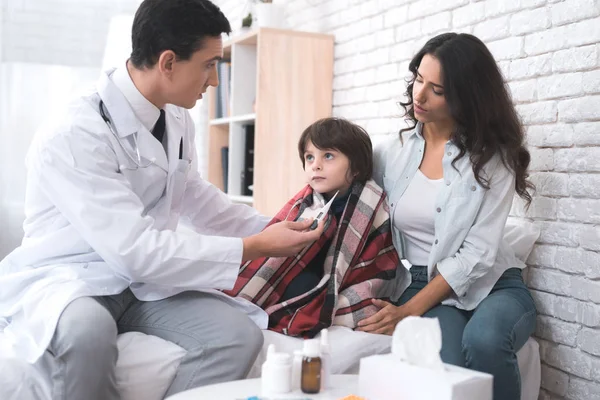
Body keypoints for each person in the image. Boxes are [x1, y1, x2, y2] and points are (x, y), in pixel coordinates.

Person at [0, 1, 325, 399]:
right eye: (209, 65)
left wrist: (270, 225)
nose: (214, 83)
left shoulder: (175, 117)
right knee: (88, 336)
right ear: (168, 62)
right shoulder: (74, 133)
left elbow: (195, 197)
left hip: (139, 281)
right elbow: (133, 249)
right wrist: (254, 246)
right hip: (75, 277)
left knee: (238, 336)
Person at [358, 33, 537, 400]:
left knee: (484, 341)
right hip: (426, 283)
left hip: (494, 283)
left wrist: (407, 310)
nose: (418, 96)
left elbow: (478, 255)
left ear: (465, 97)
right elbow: (359, 216)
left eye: (436, 89)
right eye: (419, 79)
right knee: (447, 366)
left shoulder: (493, 159)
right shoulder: (392, 153)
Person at [225, 118, 399, 338]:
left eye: (328, 156)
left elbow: (377, 258)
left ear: (355, 167)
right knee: (293, 285)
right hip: (306, 268)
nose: (315, 165)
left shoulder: (371, 203)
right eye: (309, 157)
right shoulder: (306, 202)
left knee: (330, 300)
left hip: (346, 278)